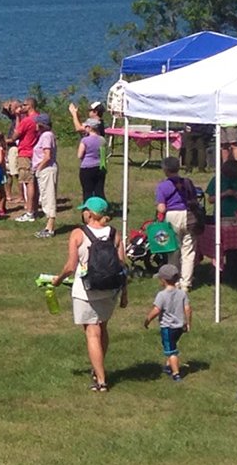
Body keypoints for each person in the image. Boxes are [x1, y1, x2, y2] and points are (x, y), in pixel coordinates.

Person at [49, 197, 126, 392]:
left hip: (86, 290)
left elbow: (71, 266)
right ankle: (98, 367)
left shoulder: (78, 233)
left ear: (89, 214)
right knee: (103, 328)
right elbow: (122, 266)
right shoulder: (115, 234)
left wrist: (58, 279)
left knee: (92, 333)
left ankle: (101, 380)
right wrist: (125, 294)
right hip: (110, 290)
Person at [153, 156, 203, 290]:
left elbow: (162, 208)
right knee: (188, 251)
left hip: (172, 216)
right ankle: (186, 282)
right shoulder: (188, 182)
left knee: (173, 249)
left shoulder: (163, 186)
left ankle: (173, 280)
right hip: (189, 216)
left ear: (165, 170)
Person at [142, 263, 191, 381]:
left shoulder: (162, 295)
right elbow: (188, 308)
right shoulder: (182, 293)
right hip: (179, 326)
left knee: (171, 351)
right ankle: (169, 366)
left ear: (163, 280)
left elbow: (156, 310)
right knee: (172, 345)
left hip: (167, 327)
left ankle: (176, 373)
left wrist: (147, 320)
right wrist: (188, 323)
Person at [11, 100, 41, 221]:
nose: (21, 107)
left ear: (29, 106)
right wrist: (18, 116)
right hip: (35, 152)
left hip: (25, 152)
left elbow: (15, 135)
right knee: (34, 182)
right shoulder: (38, 118)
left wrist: (18, 117)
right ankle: (34, 208)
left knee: (28, 182)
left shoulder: (27, 120)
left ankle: (29, 212)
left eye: (24, 105)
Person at [32, 116, 59, 238]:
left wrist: (39, 168)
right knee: (45, 197)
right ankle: (48, 226)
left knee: (49, 197)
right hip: (45, 170)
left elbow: (47, 155)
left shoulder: (46, 136)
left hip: (46, 170)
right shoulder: (45, 135)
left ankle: (50, 228)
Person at [210, 158, 237, 224]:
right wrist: (224, 194)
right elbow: (211, 200)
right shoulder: (217, 179)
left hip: (236, 214)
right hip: (221, 213)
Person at [76, 117, 105, 206]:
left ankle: (87, 211)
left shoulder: (85, 140)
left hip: (87, 168)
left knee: (87, 192)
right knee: (99, 191)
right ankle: (101, 210)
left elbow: (79, 155)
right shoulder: (102, 140)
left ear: (89, 128)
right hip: (99, 167)